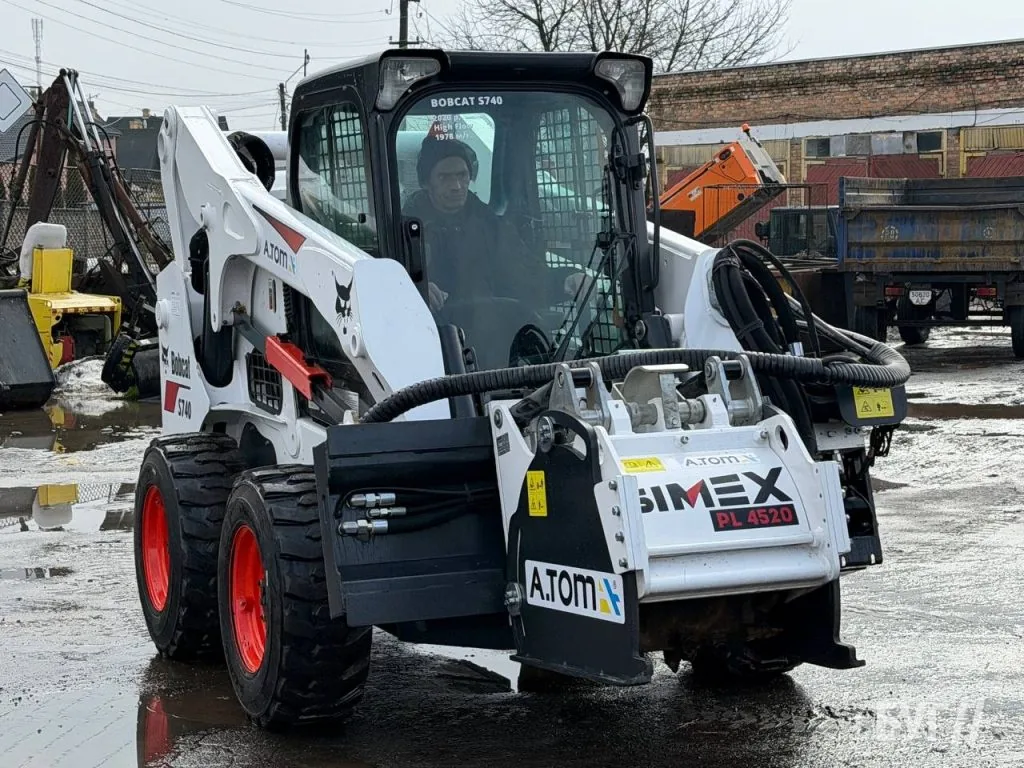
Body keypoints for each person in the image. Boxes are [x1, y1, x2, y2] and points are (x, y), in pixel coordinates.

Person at [402, 134, 554, 312]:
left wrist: (566, 280)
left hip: (486, 324)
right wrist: (414, 288)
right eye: (444, 177)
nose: (457, 186)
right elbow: (388, 284)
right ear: (426, 182)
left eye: (462, 175)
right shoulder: (403, 231)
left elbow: (526, 272)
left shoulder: (490, 225)